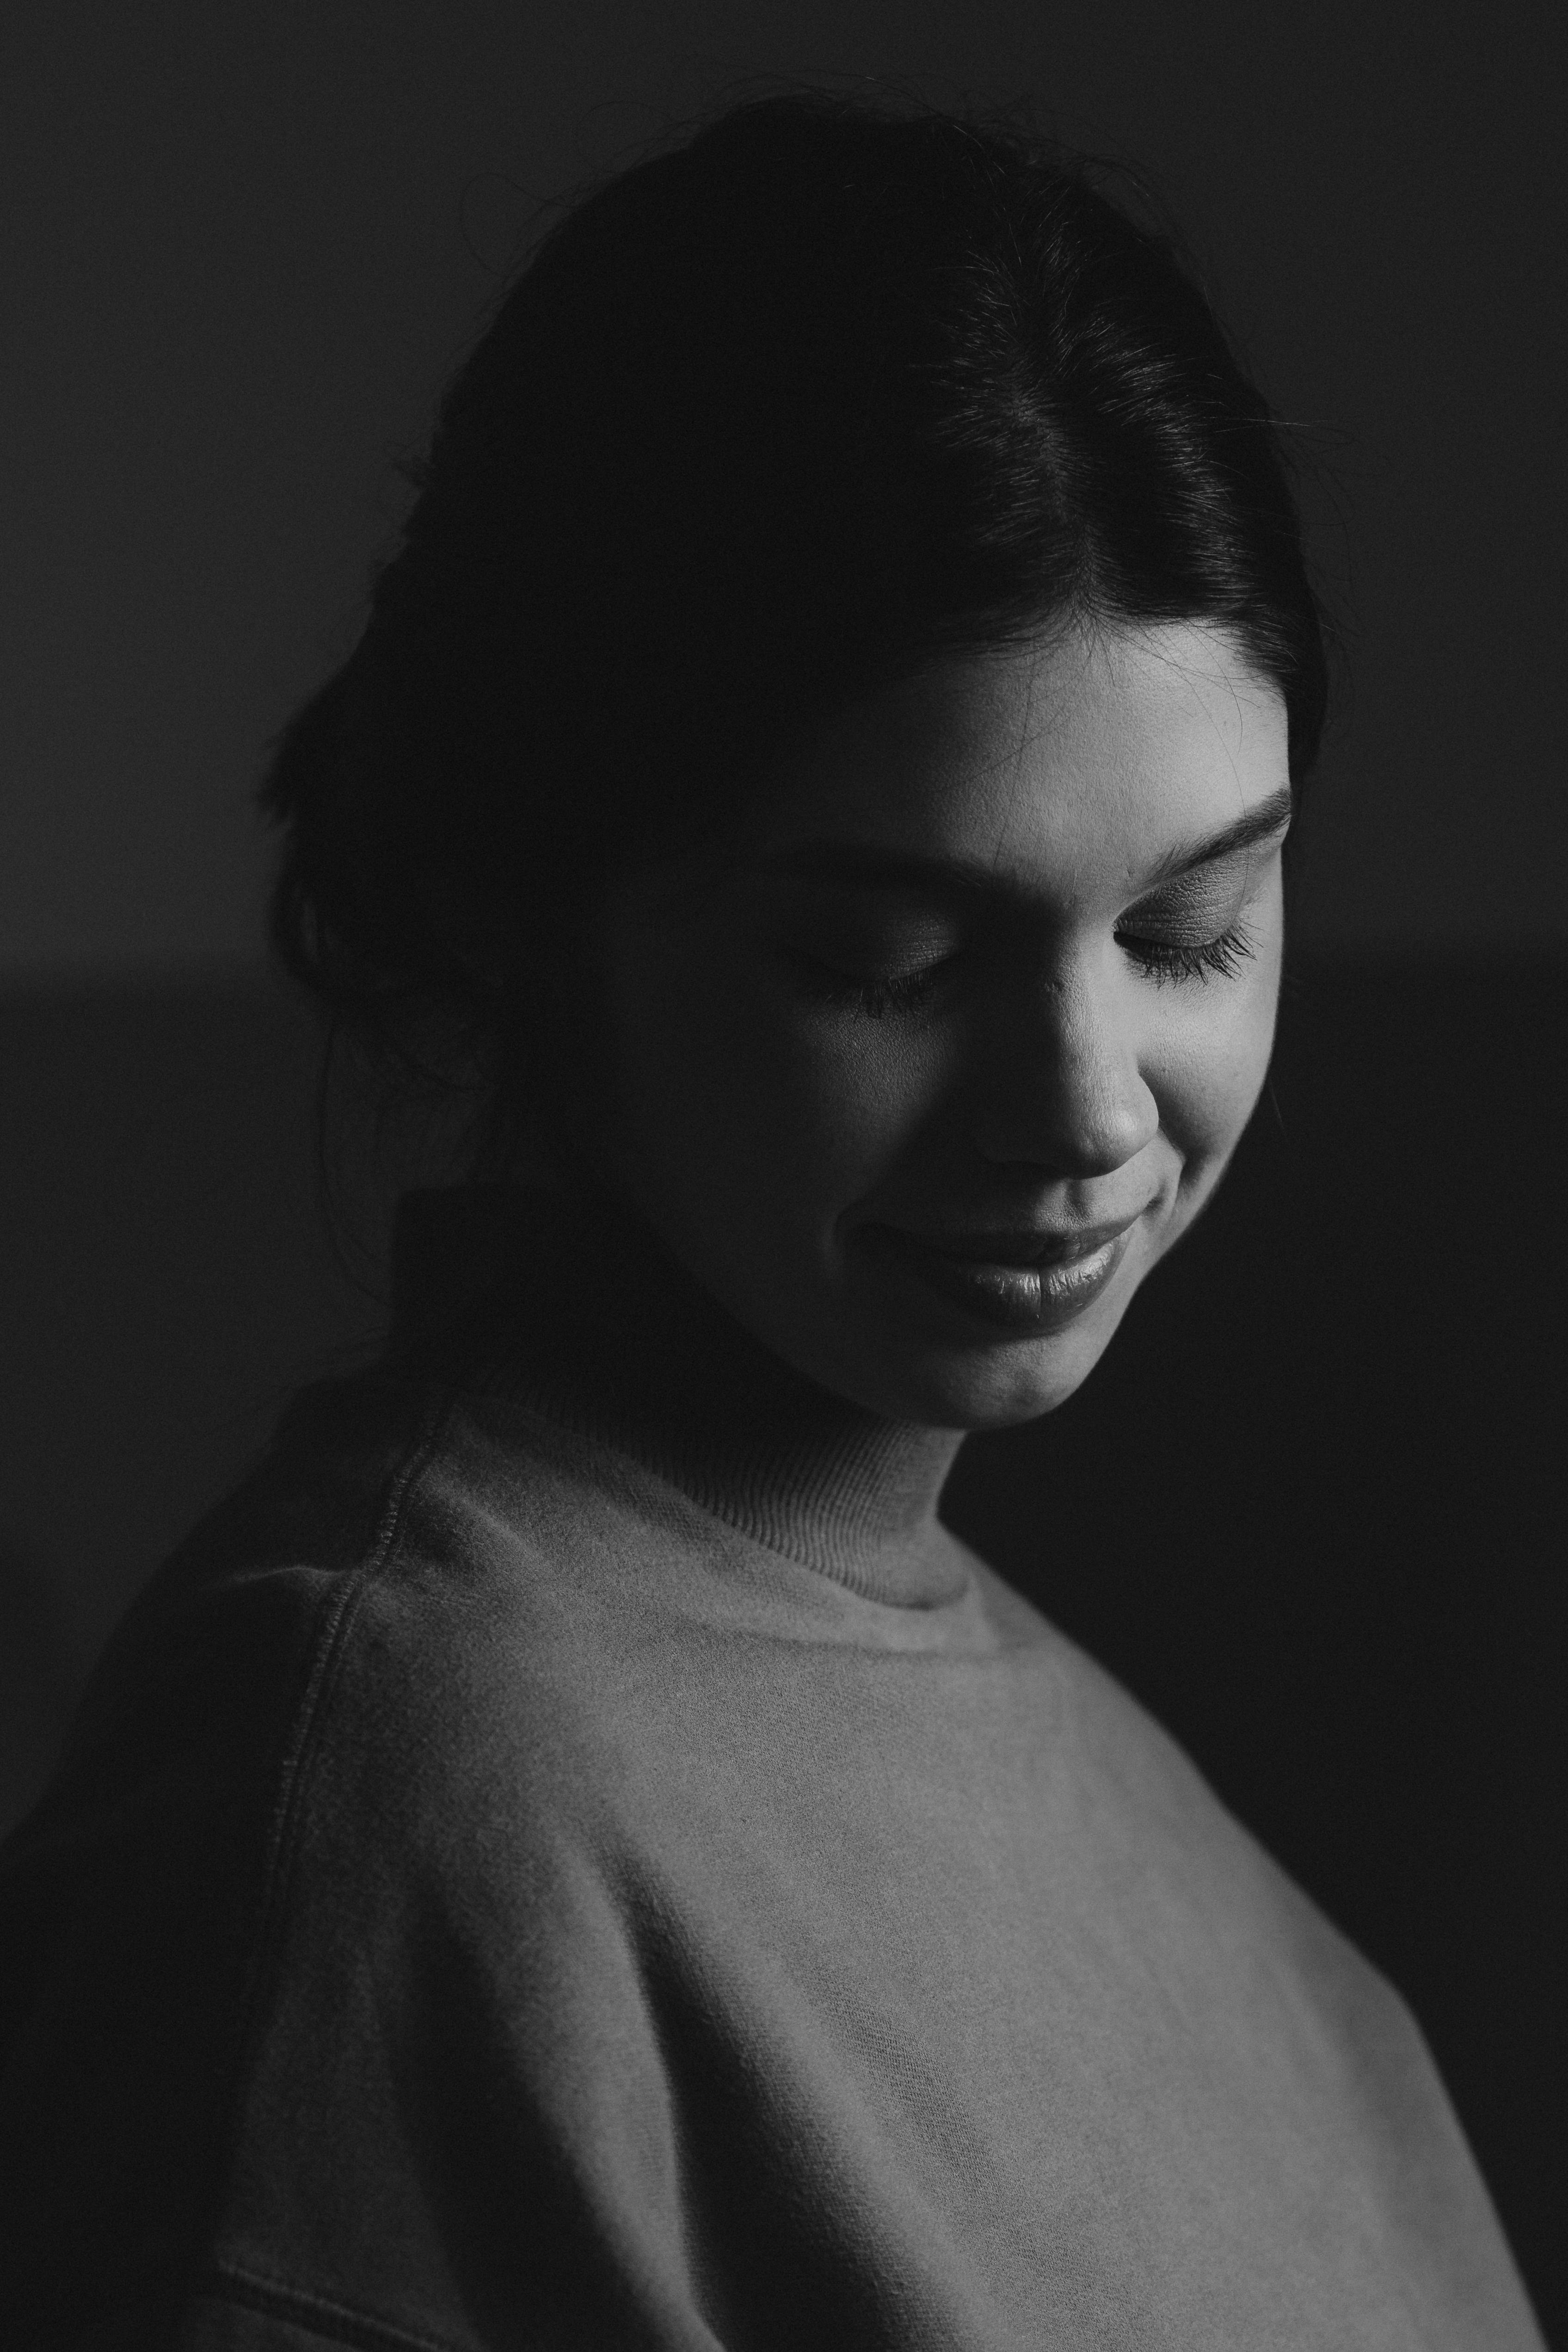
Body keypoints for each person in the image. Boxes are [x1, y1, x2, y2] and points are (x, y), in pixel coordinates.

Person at [0, 92, 1543, 2352]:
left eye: (1191, 925)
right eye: (884, 963)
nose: (1084, 1108)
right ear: (534, 912)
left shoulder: (1202, 1895)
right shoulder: (389, 1797)